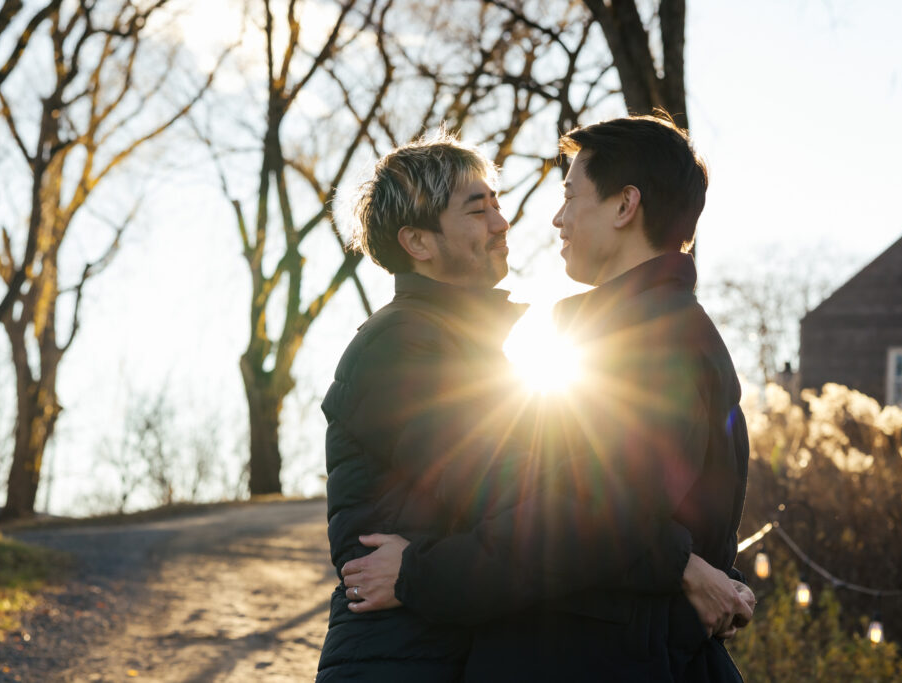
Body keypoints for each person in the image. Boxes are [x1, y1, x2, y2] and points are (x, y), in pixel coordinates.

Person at [318, 127, 751, 682]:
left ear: (626, 205)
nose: (507, 223)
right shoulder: (401, 348)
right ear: (418, 243)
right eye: (479, 211)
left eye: (498, 205)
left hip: (451, 647)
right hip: (404, 660)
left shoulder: (649, 339)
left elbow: (575, 502)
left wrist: (689, 564)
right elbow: (523, 493)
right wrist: (680, 564)